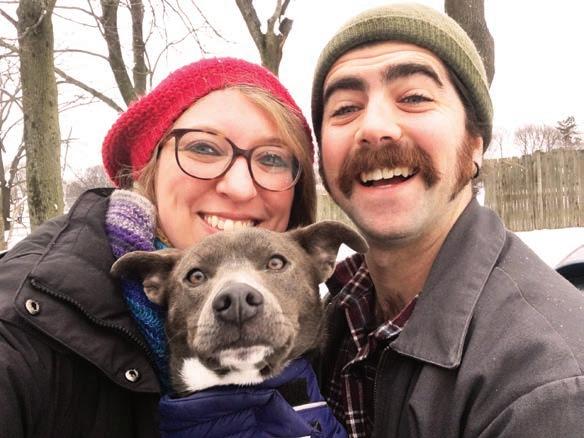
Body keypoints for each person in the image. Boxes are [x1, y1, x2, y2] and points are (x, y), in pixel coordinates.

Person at [0, 57, 320, 437]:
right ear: (147, 169)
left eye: (272, 158)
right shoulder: (26, 324)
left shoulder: (333, 327)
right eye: (204, 148)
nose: (239, 187)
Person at [310, 4, 584, 437]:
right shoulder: (335, 317)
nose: (374, 127)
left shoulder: (548, 390)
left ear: (475, 143)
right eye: (345, 108)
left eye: (414, 98)